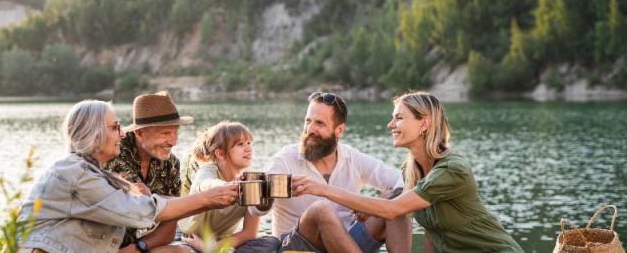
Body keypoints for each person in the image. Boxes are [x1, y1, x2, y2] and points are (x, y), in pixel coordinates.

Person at [292, 91, 525, 252]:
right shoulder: (411, 169)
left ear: (424, 124)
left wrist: (322, 189)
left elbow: (393, 210)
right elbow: (431, 233)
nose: (390, 125)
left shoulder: (452, 170)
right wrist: (371, 205)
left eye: (399, 118)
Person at [17, 100, 238, 253]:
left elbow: (157, 206)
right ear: (94, 133)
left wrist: (215, 197)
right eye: (115, 127)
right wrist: (209, 198)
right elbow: (144, 209)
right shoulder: (76, 175)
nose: (122, 134)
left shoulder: (93, 171)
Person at [249, 92, 412, 253]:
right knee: (321, 209)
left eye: (319, 123)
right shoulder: (284, 160)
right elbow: (257, 210)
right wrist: (263, 193)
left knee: (396, 202)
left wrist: (370, 205)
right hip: (298, 246)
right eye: (308, 121)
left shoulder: (352, 158)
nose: (310, 129)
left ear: (339, 130)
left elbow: (404, 182)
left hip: (348, 244)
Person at [172, 121, 280, 252]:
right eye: (240, 144)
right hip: (190, 239)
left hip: (219, 241)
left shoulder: (250, 180)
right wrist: (228, 186)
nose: (248, 148)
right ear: (220, 154)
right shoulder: (208, 171)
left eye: (249, 143)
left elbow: (249, 233)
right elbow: (207, 184)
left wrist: (213, 247)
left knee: (271, 243)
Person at [105, 91, 191, 252]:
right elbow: (142, 198)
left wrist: (139, 248)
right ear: (140, 133)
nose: (173, 141)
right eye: (165, 133)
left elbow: (171, 223)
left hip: (134, 247)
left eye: (175, 132)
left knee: (182, 251)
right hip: (101, 246)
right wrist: (205, 199)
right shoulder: (116, 152)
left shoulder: (171, 163)